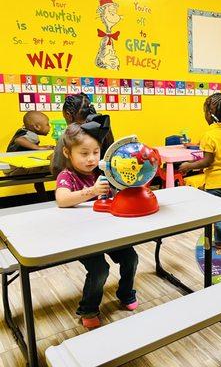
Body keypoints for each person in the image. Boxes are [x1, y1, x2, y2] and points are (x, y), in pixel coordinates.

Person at [55, 122, 138, 329]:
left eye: (95, 152)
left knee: (131, 258)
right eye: (84, 153)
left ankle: (126, 293)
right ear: (68, 152)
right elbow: (62, 199)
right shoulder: (67, 176)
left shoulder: (104, 172)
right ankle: (88, 308)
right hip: (82, 237)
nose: (91, 158)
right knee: (100, 270)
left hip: (108, 233)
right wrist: (91, 191)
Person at [178, 93, 221, 264]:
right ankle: (219, 243)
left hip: (216, 181)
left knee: (215, 214)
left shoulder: (209, 135)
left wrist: (188, 165)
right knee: (219, 208)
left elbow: (207, 161)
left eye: (205, 112)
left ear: (210, 114)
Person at [51, 93, 114, 178]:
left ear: (68, 114)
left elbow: (56, 168)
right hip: (106, 181)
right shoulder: (103, 126)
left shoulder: (71, 134)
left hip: (77, 185)